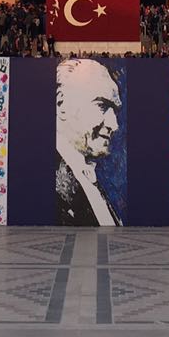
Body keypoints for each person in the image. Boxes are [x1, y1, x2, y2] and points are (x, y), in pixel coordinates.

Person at [53, 58, 122, 226]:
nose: (114, 125)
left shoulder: (88, 176)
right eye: (102, 106)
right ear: (61, 103)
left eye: (115, 110)